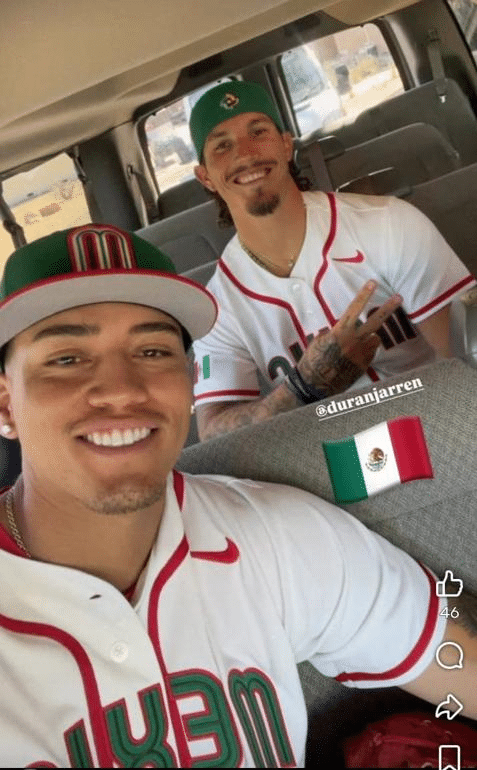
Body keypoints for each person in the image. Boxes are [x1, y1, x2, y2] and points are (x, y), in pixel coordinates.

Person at [0, 223, 476, 767]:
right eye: (67, 358)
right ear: (6, 404)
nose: (124, 389)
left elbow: (451, 659)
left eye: (153, 350)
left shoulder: (277, 535)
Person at [189, 81, 476, 440]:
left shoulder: (388, 225)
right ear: (205, 177)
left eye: (258, 131)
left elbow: (467, 358)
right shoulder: (216, 308)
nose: (245, 153)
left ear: (286, 143)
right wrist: (302, 387)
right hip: (327, 469)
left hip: (445, 428)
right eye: (222, 145)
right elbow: (214, 433)